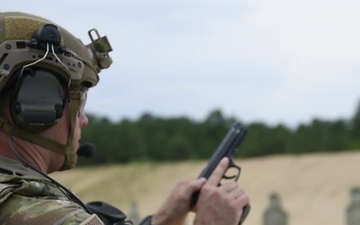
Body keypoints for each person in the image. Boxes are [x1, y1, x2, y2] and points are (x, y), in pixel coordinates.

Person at [0, 11, 250, 225]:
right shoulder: (42, 214)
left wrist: (162, 220)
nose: (83, 120)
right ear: (36, 102)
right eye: (79, 99)